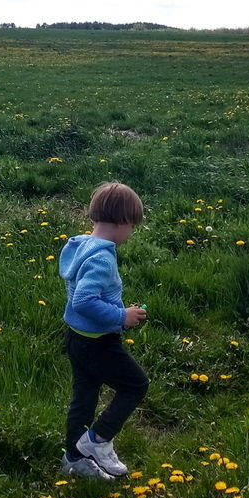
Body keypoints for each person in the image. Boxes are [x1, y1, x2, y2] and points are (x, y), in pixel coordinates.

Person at [58, 181, 149, 480]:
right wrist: (121, 316)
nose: (131, 233)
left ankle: (74, 458)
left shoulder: (81, 244)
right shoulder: (101, 257)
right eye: (132, 226)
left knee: (84, 397)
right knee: (136, 385)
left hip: (77, 339)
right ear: (122, 223)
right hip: (99, 343)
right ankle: (98, 440)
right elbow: (84, 300)